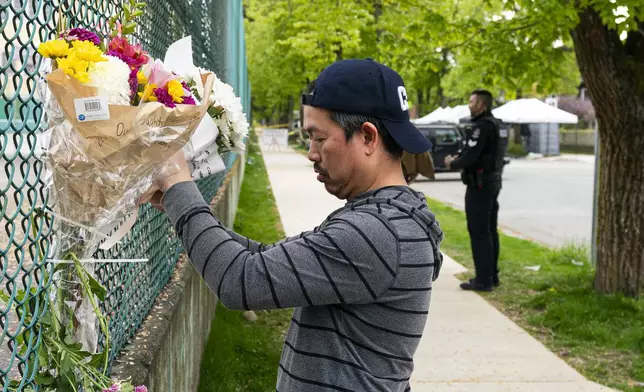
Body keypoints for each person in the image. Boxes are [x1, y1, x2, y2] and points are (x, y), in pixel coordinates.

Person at [139, 59, 444, 392]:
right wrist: (179, 202)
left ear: (368, 137)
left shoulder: (376, 233)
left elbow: (240, 281)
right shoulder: (388, 219)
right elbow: (266, 258)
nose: (311, 153)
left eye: (318, 137)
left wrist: (178, 183)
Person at [444, 89, 503, 292]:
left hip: (480, 185)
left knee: (479, 232)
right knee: (489, 231)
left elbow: (471, 156)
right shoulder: (496, 125)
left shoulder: (481, 127)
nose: (469, 105)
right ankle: (491, 275)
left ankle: (483, 280)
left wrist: (453, 163)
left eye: (471, 101)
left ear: (481, 105)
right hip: (493, 182)